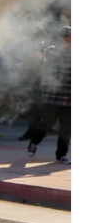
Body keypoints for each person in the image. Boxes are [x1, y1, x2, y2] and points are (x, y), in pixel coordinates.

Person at [28, 27, 71, 162]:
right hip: (53, 96)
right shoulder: (51, 50)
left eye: (68, 38)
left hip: (70, 97)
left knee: (66, 128)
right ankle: (34, 142)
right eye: (64, 38)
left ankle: (61, 155)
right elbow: (47, 66)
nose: (66, 41)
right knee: (46, 124)